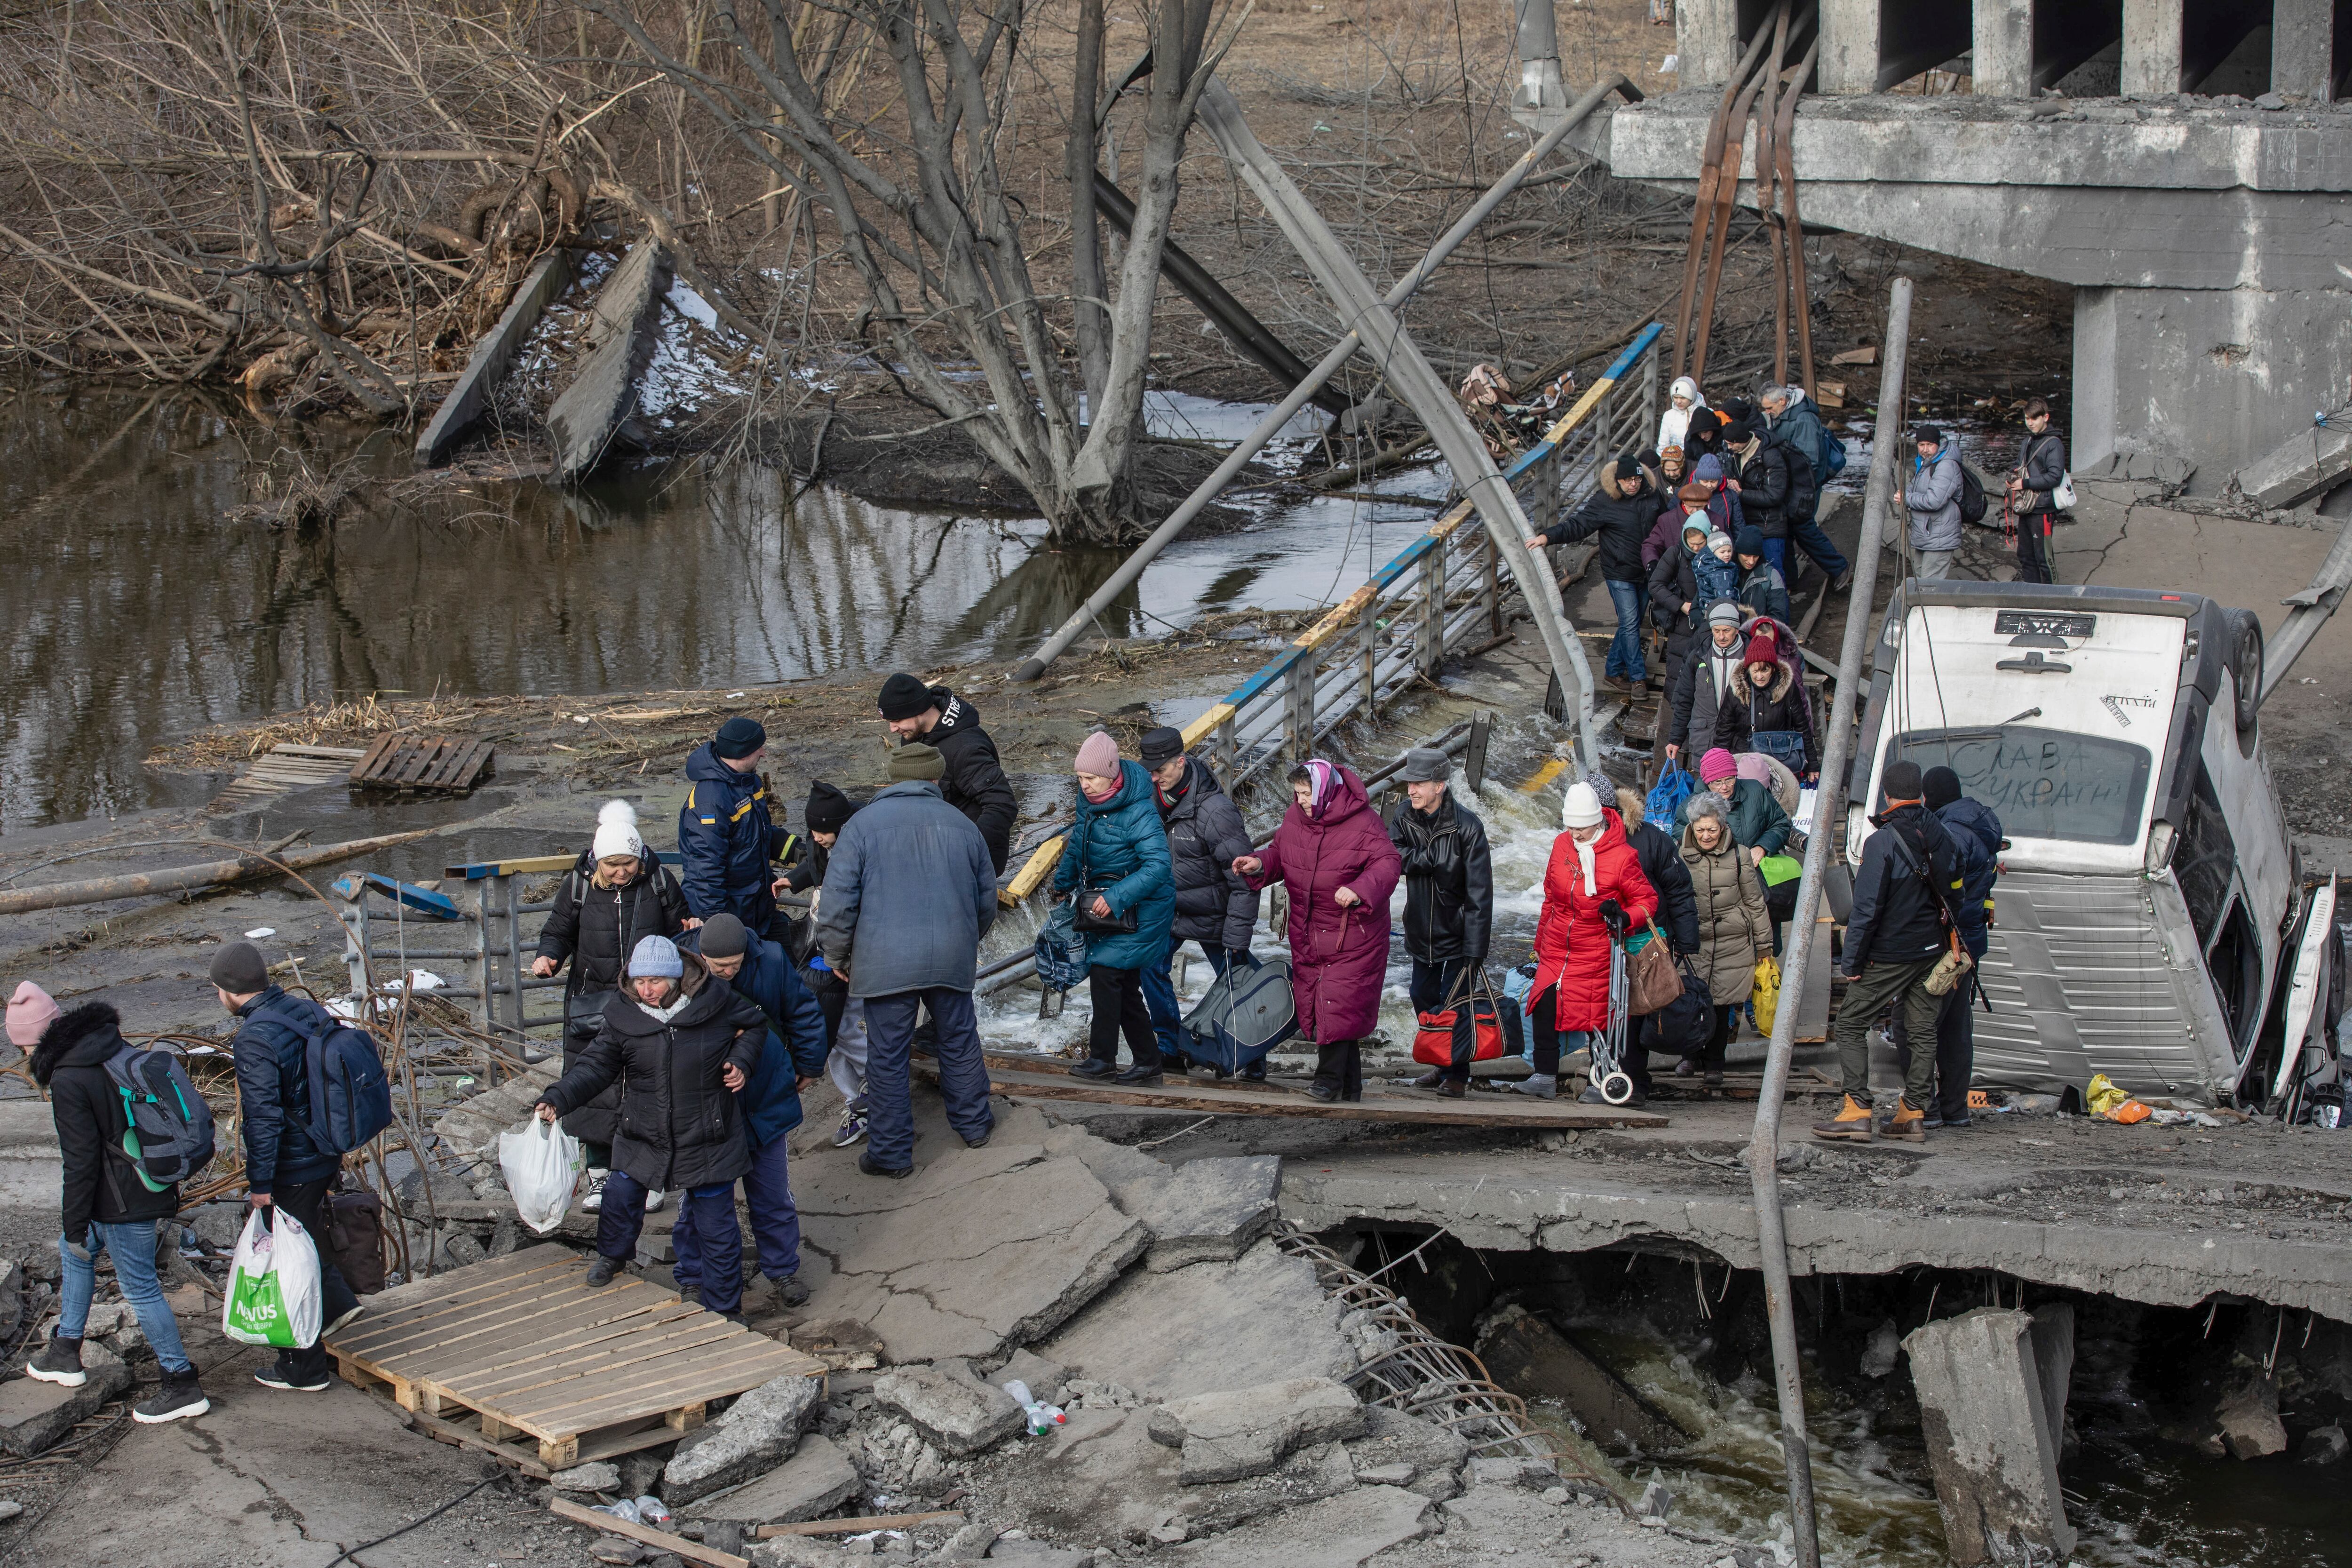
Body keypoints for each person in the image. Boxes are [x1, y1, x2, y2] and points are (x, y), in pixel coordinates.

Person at [535, 935, 768, 1313]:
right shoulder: (622, 1014)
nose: (646, 990)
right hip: (642, 1129)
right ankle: (613, 1256)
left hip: (708, 1132)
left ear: (675, 978)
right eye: (640, 981)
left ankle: (726, 1305)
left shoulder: (716, 1001)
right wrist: (557, 1098)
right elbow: (594, 1067)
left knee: (717, 1226)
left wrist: (742, 1060)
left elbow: (756, 1027)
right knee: (619, 1196)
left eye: (655, 982)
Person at [17, 983, 208, 1423]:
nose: (24, 1054)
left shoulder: (68, 1076)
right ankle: (66, 1350)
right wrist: (78, 1229)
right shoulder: (106, 1046)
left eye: (23, 1044)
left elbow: (80, 1159)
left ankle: (182, 1383)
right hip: (141, 1187)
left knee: (139, 1285)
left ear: (37, 1038)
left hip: (123, 1202)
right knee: (76, 1254)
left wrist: (73, 1219)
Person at [814, 742, 1000, 1176]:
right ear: (935, 779)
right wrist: (965, 941)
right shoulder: (963, 825)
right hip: (951, 955)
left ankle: (892, 1155)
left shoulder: (860, 827)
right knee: (958, 1040)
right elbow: (986, 900)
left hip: (885, 963)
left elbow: (837, 905)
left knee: (887, 1055)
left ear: (892, 780)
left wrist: (837, 954)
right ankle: (975, 1127)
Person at [214, 940, 364, 1392]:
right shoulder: (303, 1010)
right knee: (306, 1231)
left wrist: (260, 1183)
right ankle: (337, 1305)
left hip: (293, 1161)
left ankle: (303, 1366)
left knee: (286, 1256)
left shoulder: (253, 1037)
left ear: (230, 991)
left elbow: (263, 1117)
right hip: (324, 1148)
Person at [533, 799, 691, 1213]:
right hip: (593, 1002)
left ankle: (648, 1176)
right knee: (594, 1087)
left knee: (650, 1086)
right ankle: (600, 1176)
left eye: (628, 863)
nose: (622, 872)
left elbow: (681, 926)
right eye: (612, 865)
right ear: (598, 862)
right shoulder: (579, 885)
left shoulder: (658, 880)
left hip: (650, 1000)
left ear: (639, 857)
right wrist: (548, 956)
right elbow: (559, 930)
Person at [1814, 761, 1967, 1144]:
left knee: (1850, 1023)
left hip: (1890, 953)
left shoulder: (1881, 842)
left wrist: (1852, 960)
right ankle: (1913, 1114)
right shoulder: (1944, 835)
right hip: (1932, 953)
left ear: (1886, 795)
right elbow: (1957, 894)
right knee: (1921, 1030)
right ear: (1922, 795)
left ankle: (1857, 1110)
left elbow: (1866, 909)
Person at [682, 915, 828, 1309]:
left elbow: (803, 1011)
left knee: (772, 1192)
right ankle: (693, 1277)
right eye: (719, 968)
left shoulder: (773, 959)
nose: (728, 972)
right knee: (701, 1197)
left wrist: (810, 1065)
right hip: (708, 1106)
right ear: (702, 958)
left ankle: (782, 1269)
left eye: (735, 964)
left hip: (765, 1093)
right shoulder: (679, 965)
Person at [1233, 760, 1401, 1102]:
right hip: (1308, 929)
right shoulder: (1296, 816)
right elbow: (1283, 853)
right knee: (1335, 1007)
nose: (1301, 800)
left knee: (1336, 1001)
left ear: (1325, 790)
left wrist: (1359, 889)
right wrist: (1260, 863)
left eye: (1307, 794)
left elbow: (1389, 863)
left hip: (1354, 933)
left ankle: (1327, 1081)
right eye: (1297, 794)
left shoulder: (1363, 822)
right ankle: (1350, 1087)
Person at [1516, 781, 1658, 1104]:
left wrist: (1624, 917)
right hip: (1557, 945)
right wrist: (1540, 941)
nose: (1574, 834)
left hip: (1597, 948)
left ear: (1599, 821)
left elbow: (1648, 900)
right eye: (1570, 826)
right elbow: (1551, 897)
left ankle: (1602, 1078)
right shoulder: (1561, 845)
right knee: (1543, 1003)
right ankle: (1544, 1076)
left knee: (1600, 1016)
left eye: (1581, 828)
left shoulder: (1623, 857)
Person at [1136, 727, 1258, 1079]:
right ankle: (1170, 1047)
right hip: (1170, 908)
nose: (1153, 776)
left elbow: (1245, 880)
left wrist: (1237, 936)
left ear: (1181, 761)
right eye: (1150, 770)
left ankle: (1253, 1058)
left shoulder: (1216, 812)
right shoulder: (1151, 801)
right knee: (1149, 966)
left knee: (1237, 982)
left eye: (1160, 769)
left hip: (1214, 912)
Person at [1056, 732, 1177, 1086]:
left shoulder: (1140, 809)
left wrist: (1117, 897)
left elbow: (1159, 867)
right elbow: (1079, 842)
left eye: (1091, 778)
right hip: (1110, 906)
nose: (1085, 785)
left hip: (1145, 908)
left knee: (1106, 973)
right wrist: (1062, 881)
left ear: (1111, 773)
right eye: (1080, 778)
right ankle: (1148, 1061)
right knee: (1122, 985)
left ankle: (1102, 1058)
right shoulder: (1088, 801)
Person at [1891, 766, 2002, 1128]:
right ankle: (1955, 1108)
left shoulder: (1949, 833)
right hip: (1969, 944)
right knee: (1955, 1028)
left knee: (1912, 1024)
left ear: (1928, 797)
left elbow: (1943, 891)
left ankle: (1927, 1107)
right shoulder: (1982, 826)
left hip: (1945, 946)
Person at [1388, 748, 1495, 1099]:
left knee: (1455, 1004)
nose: (1412, 791)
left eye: (1419, 784)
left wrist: (1476, 948)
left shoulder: (1468, 826)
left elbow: (1481, 893)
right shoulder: (1405, 816)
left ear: (1440, 785)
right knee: (1422, 995)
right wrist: (1426, 858)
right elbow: (1390, 855)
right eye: (1409, 784)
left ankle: (1456, 1074)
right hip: (1421, 927)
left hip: (1459, 931)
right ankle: (1441, 1060)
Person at [1597, 772, 1699, 1104]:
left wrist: (1685, 940)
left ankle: (1636, 1081)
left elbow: (1679, 889)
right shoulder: (1578, 840)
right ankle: (1604, 1074)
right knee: (1602, 1010)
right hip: (1598, 941)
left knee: (1638, 1009)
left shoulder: (1651, 839)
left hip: (1645, 939)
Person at [780, 781, 870, 1147]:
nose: (817, 837)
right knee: (832, 1031)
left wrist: (841, 956)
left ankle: (876, 1085)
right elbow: (814, 864)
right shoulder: (821, 842)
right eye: (813, 831)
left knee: (844, 1026)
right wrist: (793, 879)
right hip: (826, 949)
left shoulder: (861, 843)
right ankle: (859, 1098)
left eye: (824, 832)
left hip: (853, 951)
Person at [1525, 452, 1657, 692]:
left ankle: (1613, 671)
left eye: (1637, 480)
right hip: (1619, 573)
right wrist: (1548, 536)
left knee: (1633, 623)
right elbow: (1579, 525)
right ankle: (1638, 678)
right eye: (1627, 480)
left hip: (1648, 571)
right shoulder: (1605, 501)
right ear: (1617, 481)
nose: (1633, 484)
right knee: (1629, 623)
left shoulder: (1652, 496)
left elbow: (1667, 526)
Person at [876, 673, 1019, 875]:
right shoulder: (913, 736)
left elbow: (1003, 805)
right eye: (889, 721)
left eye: (897, 720)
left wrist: (965, 850)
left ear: (919, 710)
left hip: (966, 860)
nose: (892, 729)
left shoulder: (966, 748)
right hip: (933, 848)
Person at [1676, 795, 1772, 1088]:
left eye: (1712, 830)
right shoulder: (1679, 856)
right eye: (1700, 830)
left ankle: (1715, 1063)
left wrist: (1764, 944)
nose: (1706, 836)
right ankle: (1689, 1056)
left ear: (1722, 826)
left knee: (1721, 1004)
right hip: (1694, 943)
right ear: (1692, 827)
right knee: (1692, 1001)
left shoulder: (1740, 855)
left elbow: (1755, 902)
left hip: (1733, 942)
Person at [679, 716, 792, 934]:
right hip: (732, 914)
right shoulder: (710, 803)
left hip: (756, 906)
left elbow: (760, 833)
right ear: (743, 752)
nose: (763, 753)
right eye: (759, 748)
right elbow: (706, 871)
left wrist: (795, 849)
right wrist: (720, 927)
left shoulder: (748, 782)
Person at [1759, 384, 1853, 590]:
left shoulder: (1804, 420)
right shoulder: (1785, 416)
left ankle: (1839, 568)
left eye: (1769, 407)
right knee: (1789, 530)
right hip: (1792, 486)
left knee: (1803, 529)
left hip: (1803, 488)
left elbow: (1809, 461)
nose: (1767, 412)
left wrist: (1784, 479)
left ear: (1782, 402)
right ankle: (1790, 581)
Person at [1714, 633, 1819, 780]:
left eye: (1765, 670)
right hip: (1744, 760)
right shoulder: (1735, 690)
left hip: (1780, 759)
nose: (1760, 676)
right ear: (1748, 668)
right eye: (1755, 670)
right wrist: (1718, 767)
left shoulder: (1788, 689)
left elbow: (1802, 727)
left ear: (1774, 669)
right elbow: (1723, 732)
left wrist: (1812, 765)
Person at [1676, 748, 1794, 863]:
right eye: (1717, 782)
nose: (1724, 787)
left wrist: (1762, 847)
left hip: (1755, 870)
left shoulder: (1756, 791)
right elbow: (1680, 839)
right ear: (1707, 782)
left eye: (1729, 780)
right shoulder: (1689, 807)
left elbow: (1781, 824)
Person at [1664, 603, 1748, 765]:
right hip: (1705, 738)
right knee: (1707, 788)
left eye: (1727, 631)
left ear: (1737, 630)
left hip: (1739, 741)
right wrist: (1676, 739)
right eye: (1716, 631)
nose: (1721, 637)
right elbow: (1684, 700)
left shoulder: (1750, 657)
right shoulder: (1698, 657)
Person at [1722, 419, 1800, 583]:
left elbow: (1775, 495)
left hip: (1770, 526)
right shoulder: (1737, 454)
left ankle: (1778, 608)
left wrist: (1741, 493)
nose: (1728, 448)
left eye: (1731, 444)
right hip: (1749, 523)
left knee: (1774, 576)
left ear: (1741, 441)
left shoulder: (1771, 456)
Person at [1646, 512, 1716, 671]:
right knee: (1678, 673)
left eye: (1701, 543)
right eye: (1692, 544)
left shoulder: (1717, 555)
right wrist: (1681, 605)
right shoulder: (1675, 553)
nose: (1696, 548)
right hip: (1682, 625)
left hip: (1709, 624)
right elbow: (1655, 585)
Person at [2008, 398, 2067, 585]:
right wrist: (2012, 477)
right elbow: (2021, 466)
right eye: (2027, 419)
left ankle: (2053, 597)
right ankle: (2032, 594)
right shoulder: (2027, 441)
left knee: (2044, 558)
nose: (2030, 423)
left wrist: (2024, 484)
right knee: (2025, 555)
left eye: (2034, 418)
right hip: (2027, 508)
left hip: (2043, 509)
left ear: (2046, 417)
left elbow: (2055, 477)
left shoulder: (2054, 444)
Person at [1904, 425, 1964, 581]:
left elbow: (1934, 501)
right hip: (1926, 534)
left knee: (1930, 586)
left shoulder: (1946, 465)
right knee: (1920, 581)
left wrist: (1906, 498)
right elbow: (1913, 489)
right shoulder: (1925, 463)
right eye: (1921, 445)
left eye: (1930, 445)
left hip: (1940, 535)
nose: (1925, 449)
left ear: (1939, 444)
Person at [1732, 526, 1791, 626]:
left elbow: (1779, 617)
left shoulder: (1771, 576)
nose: (1751, 561)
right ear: (1738, 552)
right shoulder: (1724, 573)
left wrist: (1753, 627)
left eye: (1756, 556)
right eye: (1747, 556)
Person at [1658, 375, 1708, 454]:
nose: (1678, 401)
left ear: (1691, 397)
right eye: (1675, 397)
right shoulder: (1669, 416)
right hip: (1674, 461)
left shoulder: (1706, 414)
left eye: (1683, 398)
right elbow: (1663, 446)